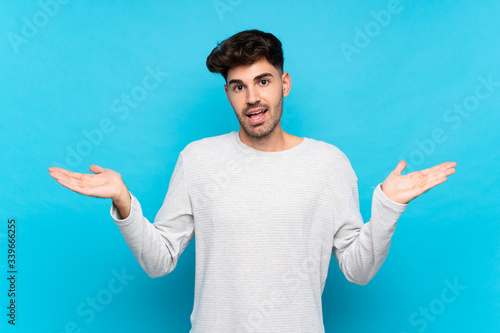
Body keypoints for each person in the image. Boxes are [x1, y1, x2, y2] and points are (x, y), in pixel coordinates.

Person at [48, 29, 457, 332]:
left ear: (284, 83)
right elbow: (159, 261)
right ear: (228, 93)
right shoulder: (199, 159)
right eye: (238, 87)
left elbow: (358, 270)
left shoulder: (328, 164)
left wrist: (387, 206)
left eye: (262, 82)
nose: (252, 99)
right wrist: (123, 200)